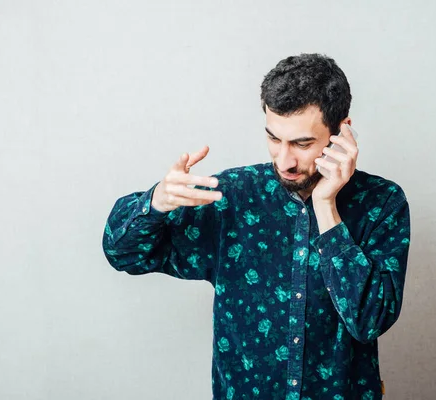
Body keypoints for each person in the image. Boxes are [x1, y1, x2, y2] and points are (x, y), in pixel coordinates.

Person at [102, 53, 411, 400]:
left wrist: (326, 207)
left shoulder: (382, 203)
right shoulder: (232, 197)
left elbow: (369, 321)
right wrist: (155, 202)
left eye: (302, 143)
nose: (285, 161)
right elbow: (122, 253)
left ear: (342, 131)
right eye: (274, 139)